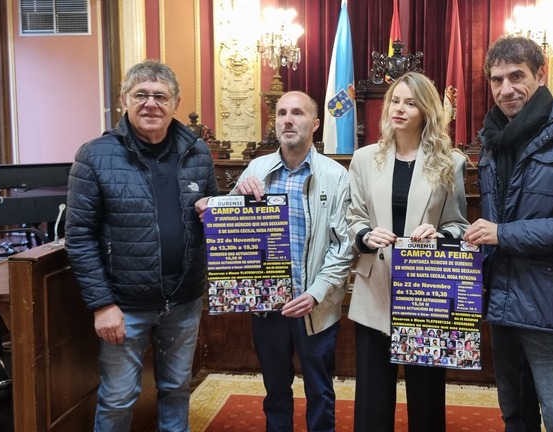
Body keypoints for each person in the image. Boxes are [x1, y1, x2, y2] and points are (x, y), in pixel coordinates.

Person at [463, 35, 553, 431]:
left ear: (541, 75)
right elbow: (493, 225)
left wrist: (503, 234)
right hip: (502, 303)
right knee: (515, 416)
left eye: (516, 76)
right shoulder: (491, 142)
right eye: (496, 80)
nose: (506, 89)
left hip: (552, 307)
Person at [65, 59, 219, 432]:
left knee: (177, 389)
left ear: (175, 103)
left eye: (160, 96)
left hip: (183, 301)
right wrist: (102, 305)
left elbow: (213, 216)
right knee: (118, 399)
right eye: (141, 95)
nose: (151, 104)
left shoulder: (198, 152)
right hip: (124, 305)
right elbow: (80, 236)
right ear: (124, 100)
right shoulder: (94, 155)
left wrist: (215, 210)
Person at [197, 91, 353, 432]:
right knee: (275, 392)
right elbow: (231, 233)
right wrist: (225, 202)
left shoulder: (336, 175)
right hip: (267, 306)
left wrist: (316, 293)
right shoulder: (256, 169)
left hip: (313, 306)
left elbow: (343, 247)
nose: (287, 120)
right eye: (282, 113)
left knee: (320, 392)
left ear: (315, 123)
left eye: (297, 113)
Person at [347, 71, 469, 431]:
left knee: (426, 397)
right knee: (372, 398)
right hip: (375, 287)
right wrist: (365, 235)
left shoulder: (450, 161)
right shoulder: (364, 158)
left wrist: (439, 234)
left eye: (410, 103)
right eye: (395, 101)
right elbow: (353, 217)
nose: (399, 109)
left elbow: (458, 224)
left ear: (426, 111)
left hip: (425, 289)